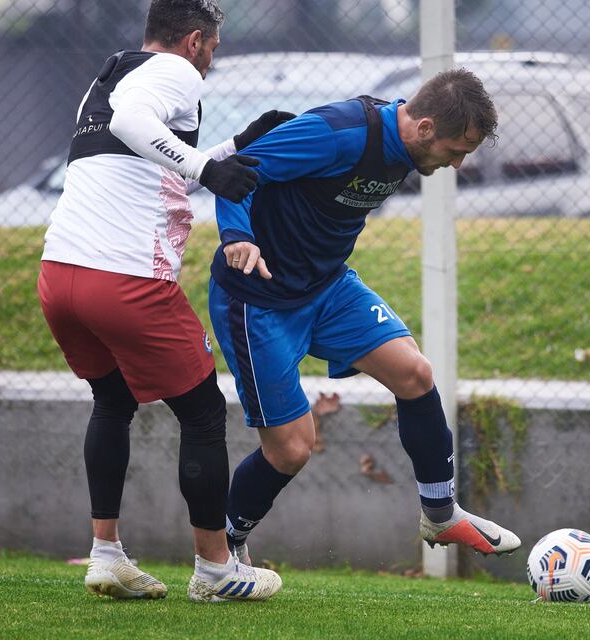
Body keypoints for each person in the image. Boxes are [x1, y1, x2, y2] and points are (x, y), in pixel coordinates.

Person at [208, 68, 522, 569]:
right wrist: (237, 237)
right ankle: (224, 546)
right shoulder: (338, 133)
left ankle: (440, 514)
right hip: (258, 297)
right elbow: (235, 172)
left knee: (414, 373)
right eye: (457, 150)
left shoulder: (408, 145)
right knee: (292, 450)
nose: (459, 164)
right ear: (424, 128)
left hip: (327, 287)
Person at [37, 0, 289, 603]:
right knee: (202, 412)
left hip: (60, 273)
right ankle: (215, 569)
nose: (211, 62)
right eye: (213, 49)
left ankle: (106, 555)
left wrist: (232, 147)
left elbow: (144, 160)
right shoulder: (175, 70)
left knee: (113, 400)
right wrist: (208, 167)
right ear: (195, 40)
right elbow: (135, 125)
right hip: (124, 278)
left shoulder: (111, 75)